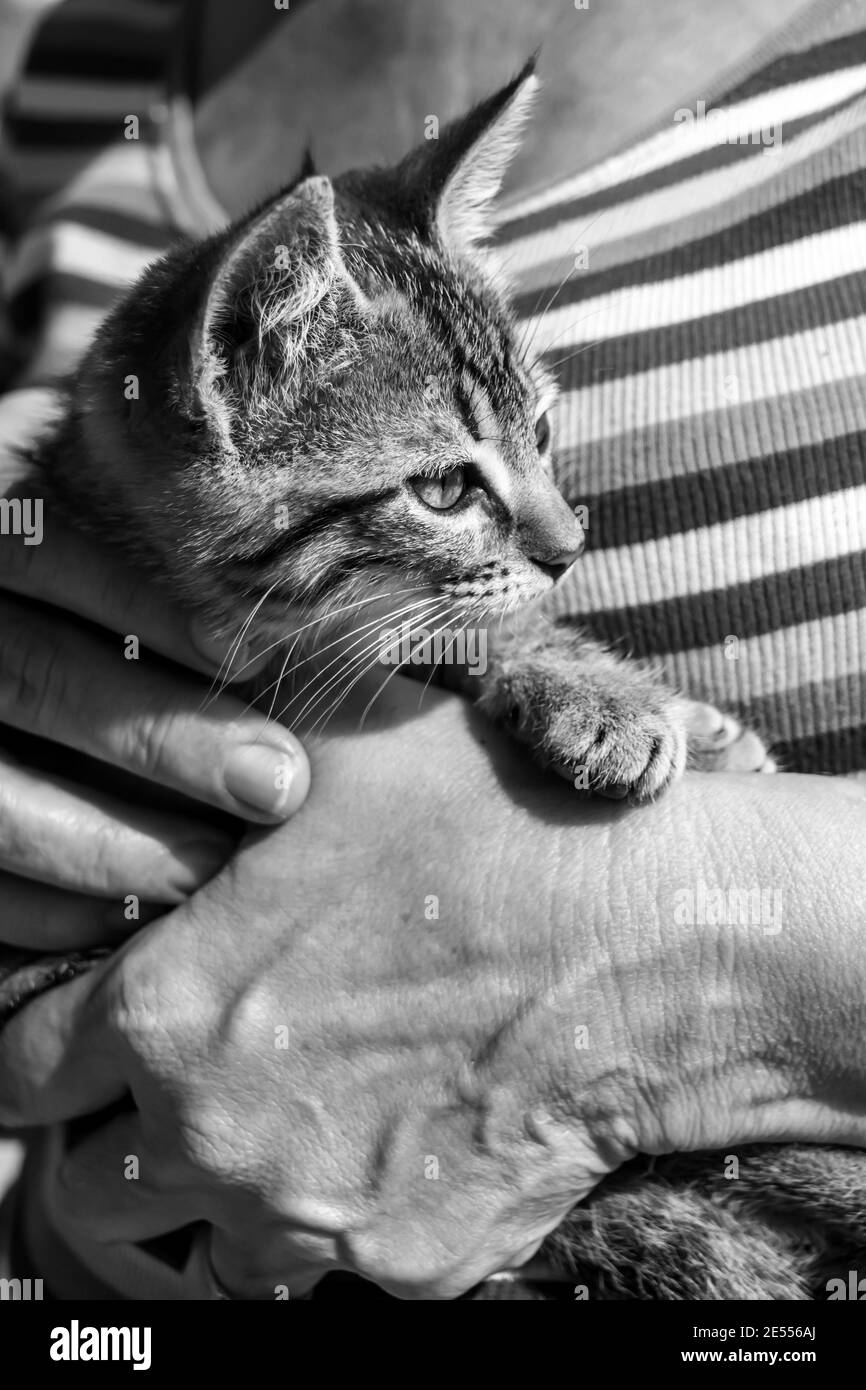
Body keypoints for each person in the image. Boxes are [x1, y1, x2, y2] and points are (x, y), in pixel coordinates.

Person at [0, 0, 864, 1298]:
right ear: (233, 365)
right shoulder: (88, 62)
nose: (564, 536)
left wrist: (659, 912)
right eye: (456, 486)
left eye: (537, 448)